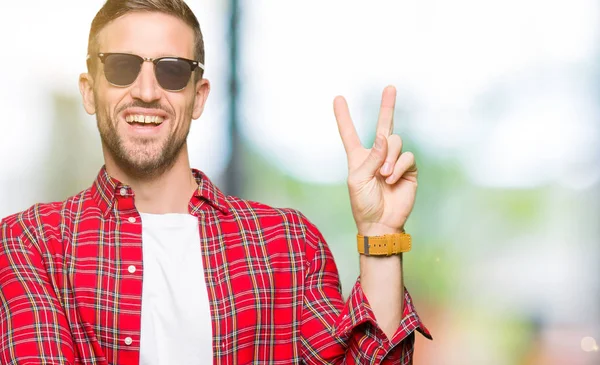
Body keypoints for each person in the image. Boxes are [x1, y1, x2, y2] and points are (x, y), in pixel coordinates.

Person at [0, 0, 431, 363]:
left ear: (199, 95)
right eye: (121, 67)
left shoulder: (286, 244)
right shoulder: (30, 242)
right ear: (89, 91)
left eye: (171, 71)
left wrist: (380, 236)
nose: (147, 90)